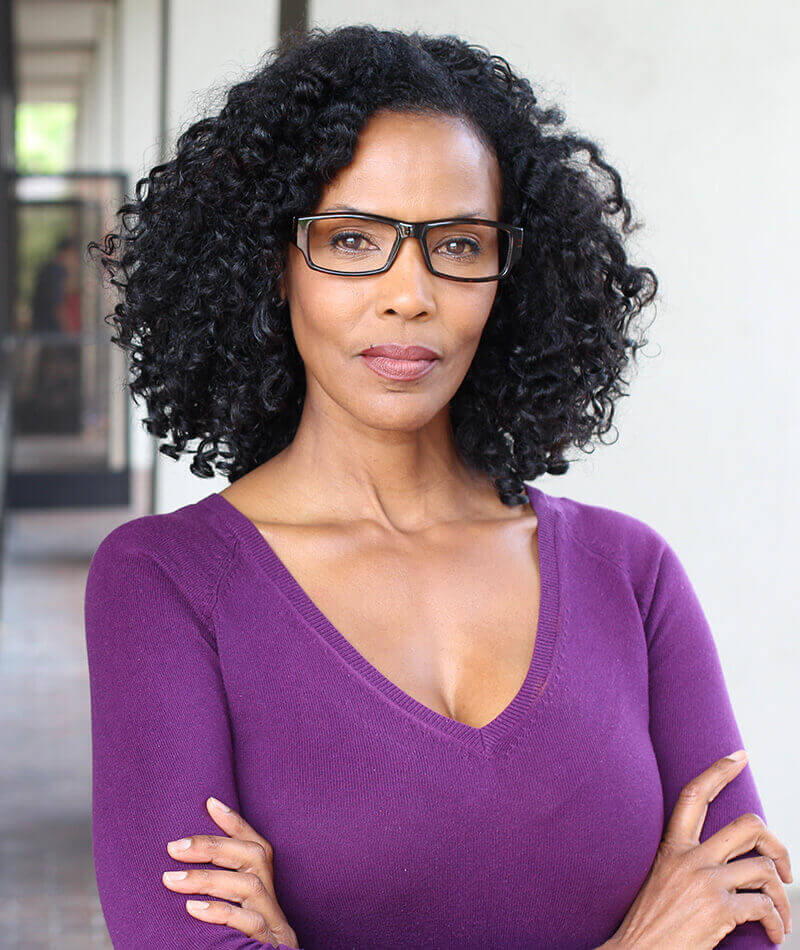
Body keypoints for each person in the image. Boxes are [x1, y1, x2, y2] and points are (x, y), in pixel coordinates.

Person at [84, 24, 791, 950]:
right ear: (272, 261)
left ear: (509, 275)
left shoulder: (632, 575)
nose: (409, 293)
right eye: (351, 239)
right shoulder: (166, 584)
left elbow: (742, 920)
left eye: (457, 245)